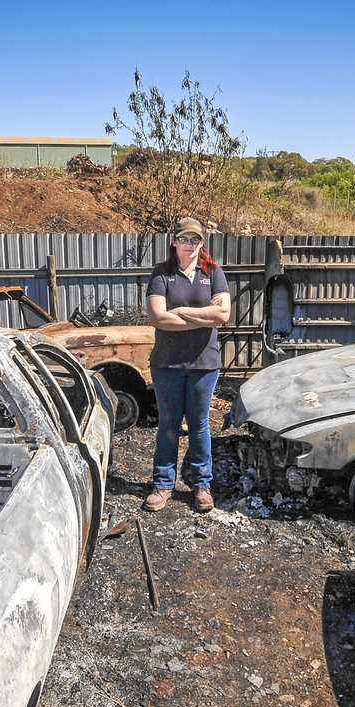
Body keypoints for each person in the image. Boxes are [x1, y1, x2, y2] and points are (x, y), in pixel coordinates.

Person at [143, 217, 231, 512]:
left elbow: (223, 316)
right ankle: (163, 484)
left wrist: (179, 311)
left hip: (205, 363)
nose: (190, 244)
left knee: (199, 425)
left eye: (195, 240)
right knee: (168, 424)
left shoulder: (214, 272)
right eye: (185, 239)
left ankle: (202, 485)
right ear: (174, 242)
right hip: (167, 364)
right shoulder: (161, 274)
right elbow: (158, 318)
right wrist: (201, 317)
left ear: (202, 243)